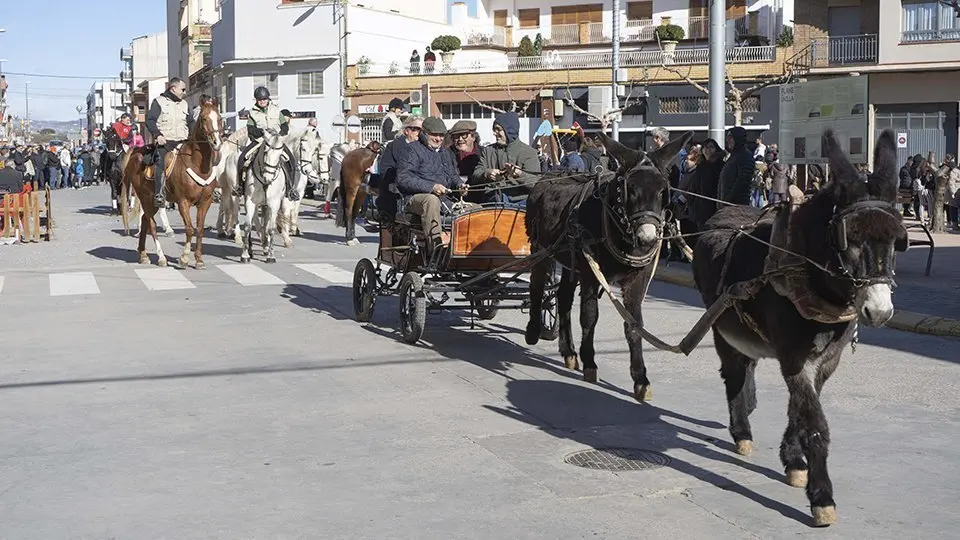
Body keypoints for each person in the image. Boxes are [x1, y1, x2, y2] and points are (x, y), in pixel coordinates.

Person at [396, 116, 468, 253]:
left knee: (476, 210)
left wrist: (460, 186)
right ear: (424, 134)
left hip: (445, 200)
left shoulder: (446, 153)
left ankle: (469, 250)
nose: (439, 139)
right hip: (414, 199)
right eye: (435, 135)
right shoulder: (411, 150)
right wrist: (431, 187)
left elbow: (452, 176)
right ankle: (436, 247)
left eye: (442, 135)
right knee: (431, 200)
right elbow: (403, 178)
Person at [236, 86, 295, 198]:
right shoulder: (252, 113)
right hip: (260, 141)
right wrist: (261, 132)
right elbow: (250, 129)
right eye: (260, 99)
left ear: (268, 99)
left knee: (291, 160)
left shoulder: (277, 111)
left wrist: (279, 135)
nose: (262, 101)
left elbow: (284, 126)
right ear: (256, 100)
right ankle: (241, 187)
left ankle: (290, 189)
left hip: (276, 142)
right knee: (242, 159)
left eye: (264, 99)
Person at [472, 111, 541, 206]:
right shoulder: (488, 151)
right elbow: (475, 174)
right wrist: (487, 173)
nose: (494, 133)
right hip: (493, 200)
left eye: (498, 129)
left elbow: (536, 184)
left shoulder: (529, 153)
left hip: (521, 203)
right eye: (494, 129)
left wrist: (519, 174)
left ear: (509, 130)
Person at [146, 77, 193, 206]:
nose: (185, 92)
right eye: (182, 89)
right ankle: (159, 193)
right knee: (160, 162)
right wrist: (158, 135)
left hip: (183, 141)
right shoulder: (159, 102)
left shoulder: (185, 104)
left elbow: (191, 122)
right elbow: (150, 121)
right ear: (173, 88)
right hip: (165, 142)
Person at [376, 116, 422, 221]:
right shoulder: (393, 147)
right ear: (406, 131)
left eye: (422, 130)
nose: (419, 133)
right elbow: (385, 171)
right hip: (397, 192)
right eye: (416, 129)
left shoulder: (426, 148)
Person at [718, 126, 755, 206]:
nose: (727, 140)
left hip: (736, 206)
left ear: (738, 138)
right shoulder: (733, 156)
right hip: (726, 205)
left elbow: (743, 180)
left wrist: (729, 198)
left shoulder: (745, 156)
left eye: (730, 137)